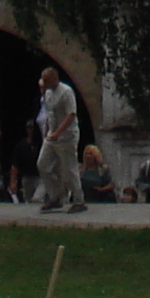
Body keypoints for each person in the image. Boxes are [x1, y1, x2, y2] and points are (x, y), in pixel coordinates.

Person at [36, 65, 85, 213]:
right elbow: (49, 113)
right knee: (43, 164)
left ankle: (78, 200)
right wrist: (48, 132)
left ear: (54, 78)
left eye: (46, 80)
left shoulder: (66, 92)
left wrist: (58, 132)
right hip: (51, 136)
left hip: (67, 136)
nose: (43, 83)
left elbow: (71, 114)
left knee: (69, 169)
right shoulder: (48, 93)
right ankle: (56, 196)